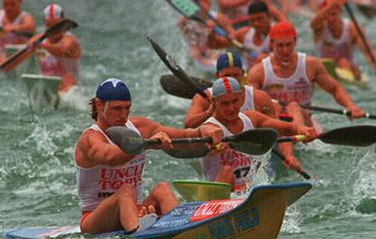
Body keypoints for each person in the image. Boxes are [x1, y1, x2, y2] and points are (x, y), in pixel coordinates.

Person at [75, 78, 223, 234]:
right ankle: (139, 234)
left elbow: (183, 137)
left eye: (127, 108)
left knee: (163, 189)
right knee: (126, 191)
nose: (123, 115)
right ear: (99, 105)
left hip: (134, 210)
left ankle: (183, 233)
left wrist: (203, 131)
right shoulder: (90, 139)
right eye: (117, 109)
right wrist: (148, 143)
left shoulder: (140, 127)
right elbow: (110, 157)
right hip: (95, 220)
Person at [199, 77, 317, 191]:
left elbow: (286, 129)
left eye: (235, 101)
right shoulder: (210, 127)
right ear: (214, 102)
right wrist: (212, 145)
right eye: (225, 103)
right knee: (227, 170)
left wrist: (302, 129)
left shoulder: (252, 118)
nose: (231, 108)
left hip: (250, 190)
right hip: (221, 191)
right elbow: (201, 133)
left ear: (241, 98)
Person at [247, 21, 366, 131]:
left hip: (306, 120)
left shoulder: (311, 65)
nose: (285, 50)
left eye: (289, 44)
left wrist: (351, 106)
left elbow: (335, 89)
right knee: (276, 107)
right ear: (272, 44)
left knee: (295, 108)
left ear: (295, 41)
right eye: (280, 45)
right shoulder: (259, 71)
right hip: (275, 122)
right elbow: (249, 104)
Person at [0, 3, 81, 93]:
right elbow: (16, 60)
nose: (53, 29)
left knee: (67, 79)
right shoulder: (37, 40)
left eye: (56, 25)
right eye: (49, 25)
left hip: (70, 93)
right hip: (46, 89)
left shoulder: (71, 40)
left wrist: (42, 46)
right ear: (45, 24)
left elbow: (63, 50)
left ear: (63, 24)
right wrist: (0, 67)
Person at [184, 51, 277, 129]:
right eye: (227, 75)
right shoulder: (204, 98)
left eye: (236, 75)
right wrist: (209, 112)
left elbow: (280, 131)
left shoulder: (259, 97)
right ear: (217, 76)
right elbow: (188, 125)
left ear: (243, 73)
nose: (232, 80)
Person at [311, 0, 376, 81]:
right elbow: (313, 23)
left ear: (340, 12)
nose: (330, 19)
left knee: (343, 62)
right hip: (326, 68)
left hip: (348, 68)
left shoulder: (352, 28)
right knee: (319, 63)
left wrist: (375, 62)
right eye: (327, 15)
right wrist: (336, 2)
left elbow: (367, 50)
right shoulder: (320, 28)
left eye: (333, 14)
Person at [177, 0, 233, 72]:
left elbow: (232, 35)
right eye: (196, 4)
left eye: (202, 3)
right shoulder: (187, 22)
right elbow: (181, 26)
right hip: (200, 56)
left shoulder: (219, 18)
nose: (200, 8)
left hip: (218, 50)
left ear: (209, 4)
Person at [209, 0, 272, 68]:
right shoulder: (243, 34)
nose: (256, 23)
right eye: (252, 20)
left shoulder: (278, 36)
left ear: (269, 16)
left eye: (260, 19)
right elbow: (215, 45)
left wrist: (268, 59)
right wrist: (212, 33)